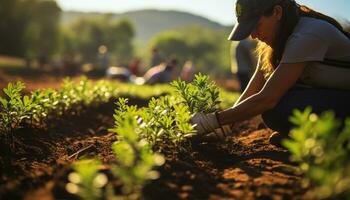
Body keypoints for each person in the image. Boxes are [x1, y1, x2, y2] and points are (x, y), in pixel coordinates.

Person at [191, 0, 350, 146]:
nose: (253, 35)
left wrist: (212, 121)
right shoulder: (274, 41)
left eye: (257, 25)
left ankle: (332, 140)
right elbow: (254, 88)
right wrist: (224, 127)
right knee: (280, 107)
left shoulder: (308, 33)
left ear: (277, 12)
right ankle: (312, 138)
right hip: (336, 95)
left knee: (278, 108)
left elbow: (267, 99)